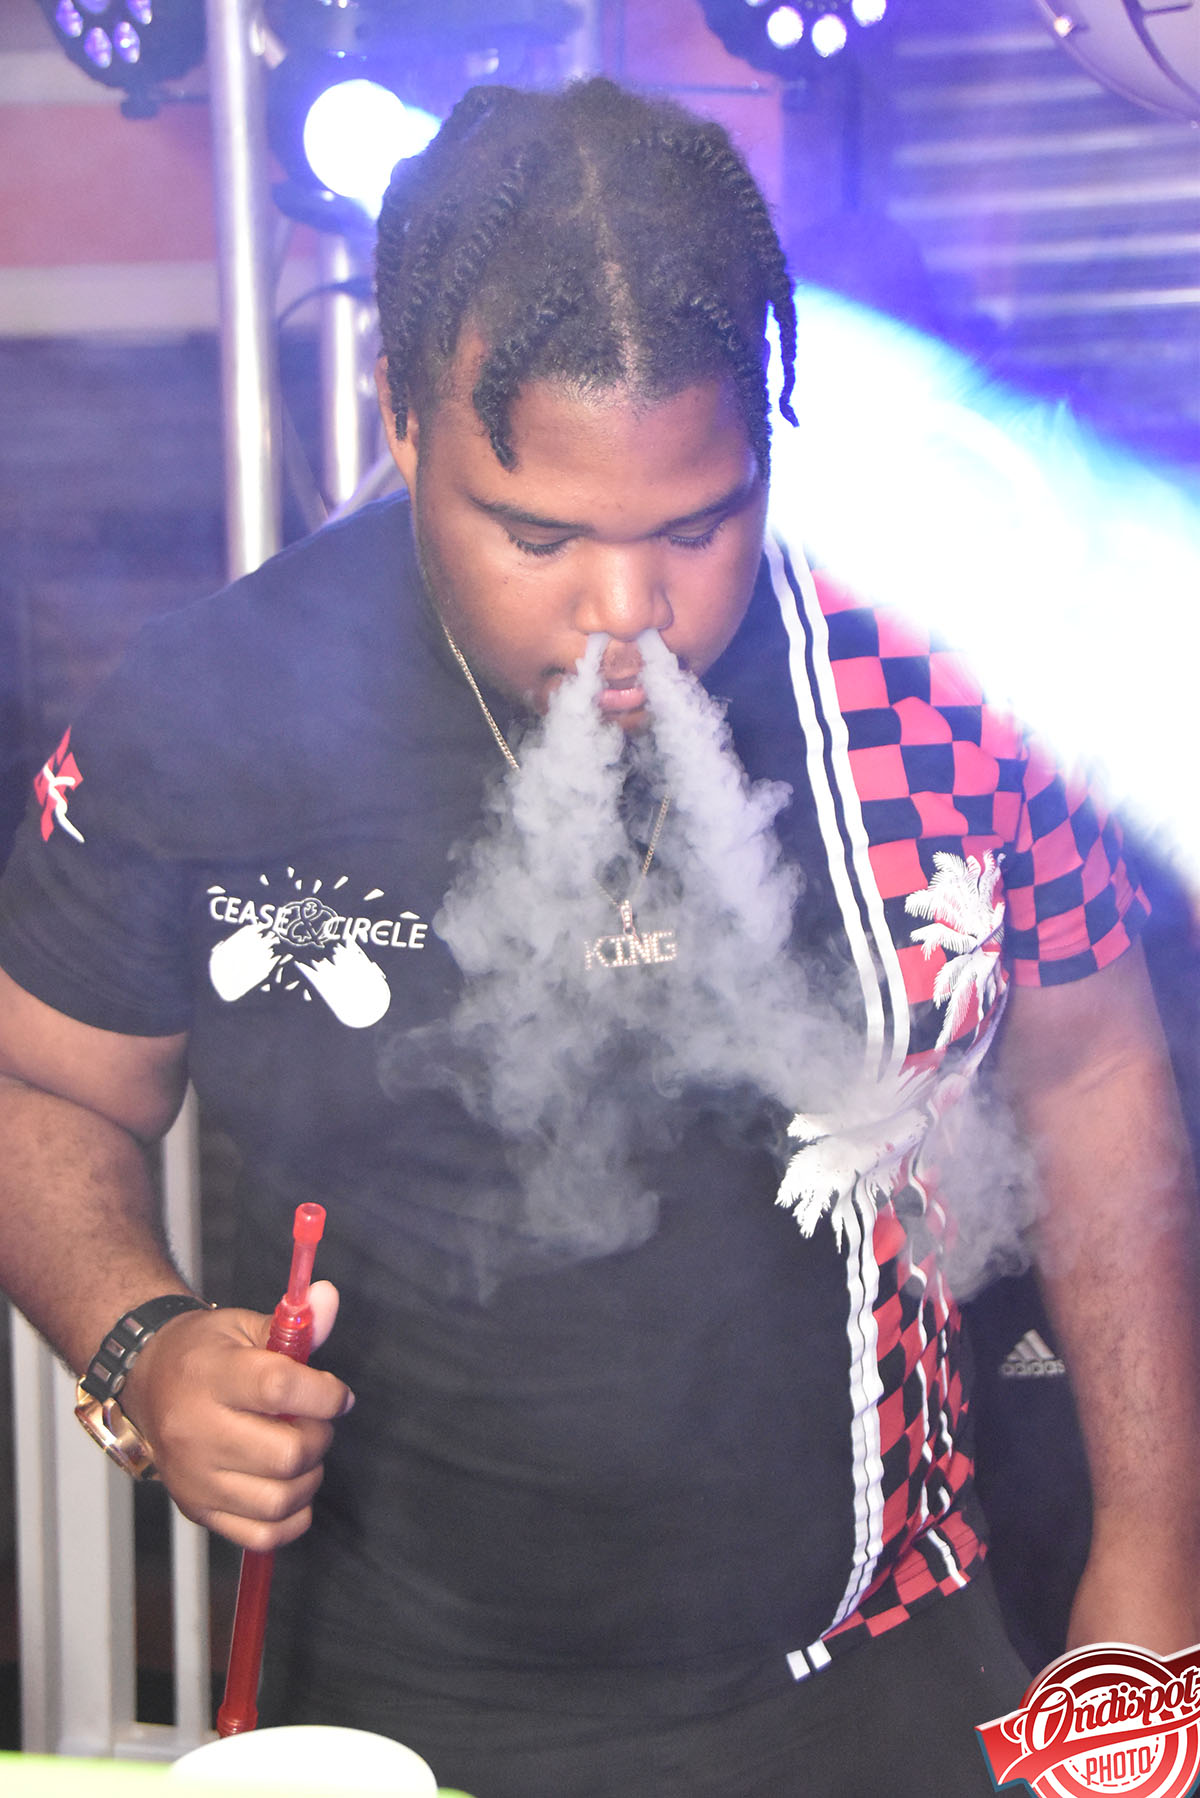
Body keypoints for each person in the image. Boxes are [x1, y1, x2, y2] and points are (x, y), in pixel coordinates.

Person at [0, 77, 1196, 1797]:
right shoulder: (215, 712)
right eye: (538, 534)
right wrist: (143, 1343)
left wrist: (1153, 1555)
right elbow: (45, 1088)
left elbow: (1092, 1080)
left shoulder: (938, 683)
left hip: (888, 1662)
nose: (628, 615)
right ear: (401, 413)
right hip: (407, 1709)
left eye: (698, 525)